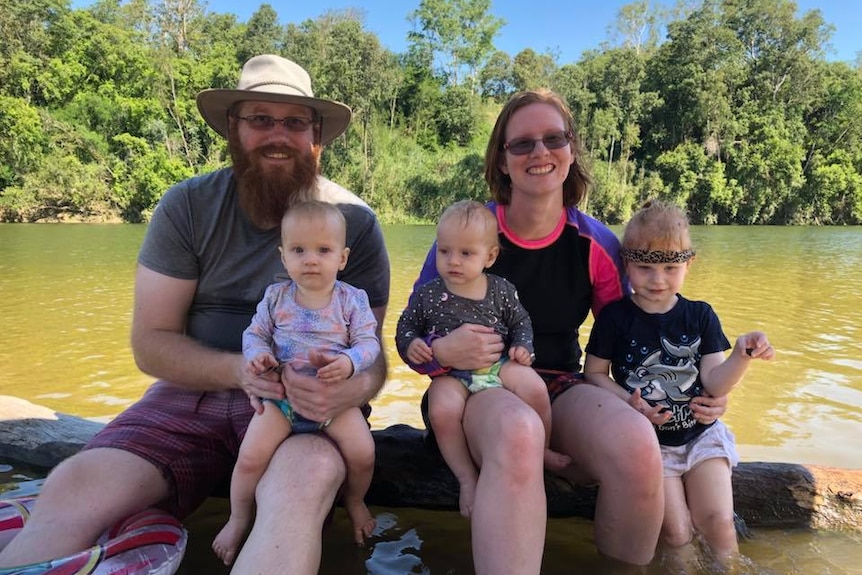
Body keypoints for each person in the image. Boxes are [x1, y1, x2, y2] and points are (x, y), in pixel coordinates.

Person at [0, 54, 390, 575]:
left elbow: (374, 358)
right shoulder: (186, 205)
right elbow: (152, 342)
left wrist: (346, 389)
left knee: (303, 485)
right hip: (190, 398)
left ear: (316, 136)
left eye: (295, 122)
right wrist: (242, 372)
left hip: (310, 409)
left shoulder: (354, 224)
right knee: (77, 481)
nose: (278, 134)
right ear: (233, 127)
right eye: (260, 119)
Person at [400, 88, 727, 573]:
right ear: (502, 160)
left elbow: (639, 339)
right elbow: (410, 337)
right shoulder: (464, 238)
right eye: (522, 143)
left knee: (638, 444)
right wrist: (441, 351)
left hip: (560, 383)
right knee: (518, 430)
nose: (540, 152)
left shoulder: (595, 243)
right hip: (473, 389)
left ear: (571, 152)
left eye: (554, 138)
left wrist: (704, 392)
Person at [583, 199, 774, 567]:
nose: (658, 280)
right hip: (652, 447)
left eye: (671, 268)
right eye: (644, 268)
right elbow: (593, 374)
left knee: (718, 523)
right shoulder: (614, 318)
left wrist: (741, 356)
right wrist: (627, 401)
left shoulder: (700, 316)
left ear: (689, 264)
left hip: (702, 437)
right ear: (626, 264)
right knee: (678, 532)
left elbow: (715, 384)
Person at [212, 200, 381, 564]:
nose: (310, 260)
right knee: (249, 458)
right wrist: (256, 353)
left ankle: (354, 501)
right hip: (282, 400)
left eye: (323, 250)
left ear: (343, 257)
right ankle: (238, 518)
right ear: (283, 256)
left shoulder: (352, 300)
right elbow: (254, 334)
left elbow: (369, 344)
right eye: (298, 250)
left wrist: (349, 363)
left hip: (335, 403)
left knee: (364, 453)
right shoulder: (276, 298)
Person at [395, 200, 571, 518]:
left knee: (534, 388)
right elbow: (405, 326)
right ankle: (466, 477)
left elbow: (521, 321)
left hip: (497, 365)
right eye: (445, 251)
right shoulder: (428, 294)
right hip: (450, 375)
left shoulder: (501, 290)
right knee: (441, 410)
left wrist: (522, 347)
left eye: (466, 253)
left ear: (489, 256)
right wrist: (413, 345)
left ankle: (542, 450)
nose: (453, 261)